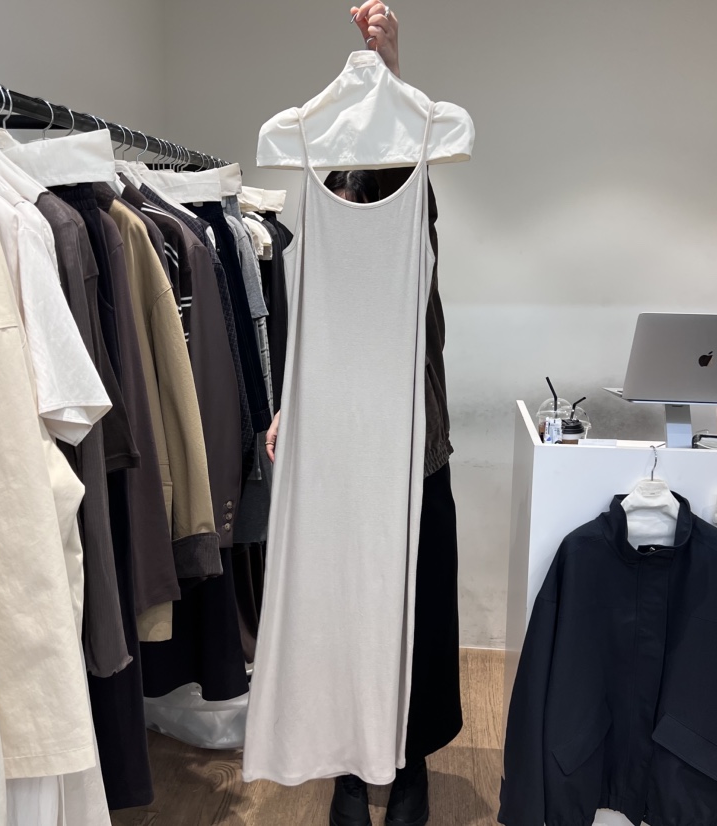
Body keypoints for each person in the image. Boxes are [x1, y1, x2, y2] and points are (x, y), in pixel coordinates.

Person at [265, 5, 461, 825]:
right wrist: (290, 408)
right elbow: (309, 331)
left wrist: (393, 74)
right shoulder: (314, 200)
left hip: (416, 444)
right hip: (341, 447)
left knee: (417, 608)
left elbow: (410, 171)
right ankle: (352, 763)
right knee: (346, 607)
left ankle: (407, 763)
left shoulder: (409, 206)